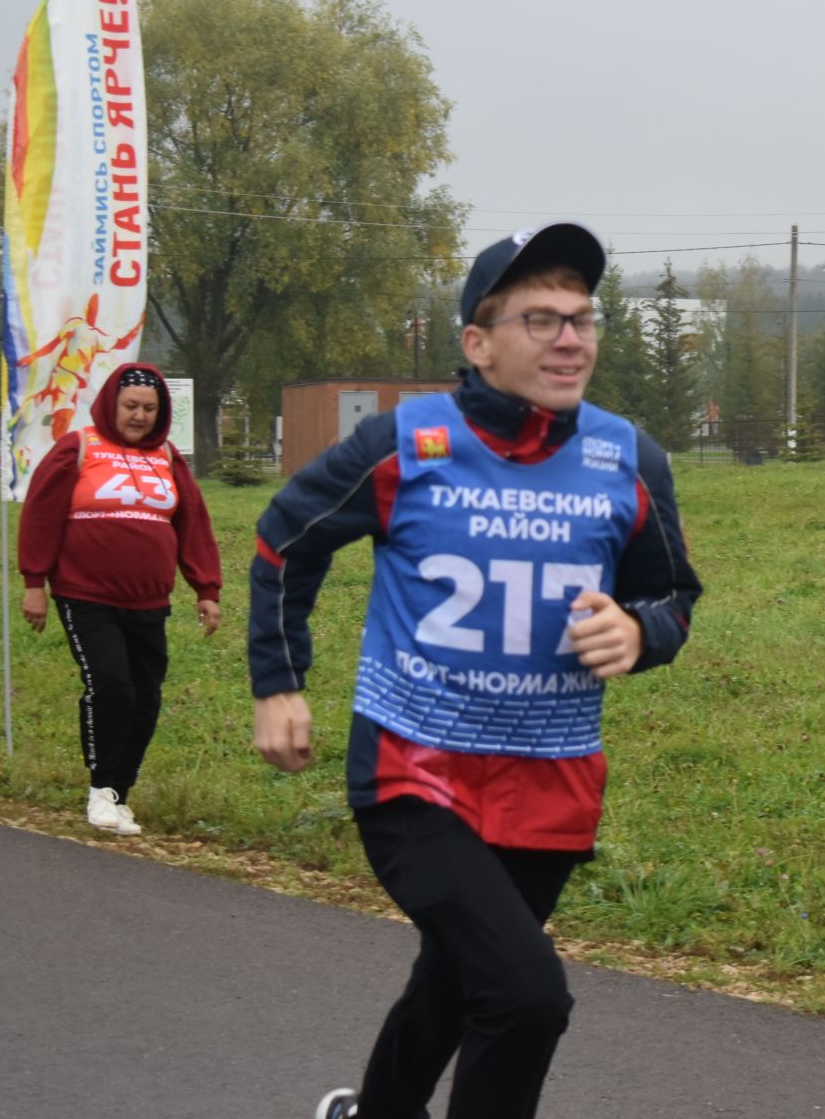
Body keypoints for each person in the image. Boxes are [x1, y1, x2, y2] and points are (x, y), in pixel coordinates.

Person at [247, 223, 702, 1119]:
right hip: (413, 772)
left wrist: (641, 632)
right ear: (477, 342)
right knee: (527, 993)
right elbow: (285, 541)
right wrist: (279, 681)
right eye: (540, 319)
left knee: (459, 977)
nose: (570, 339)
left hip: (553, 782)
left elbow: (673, 596)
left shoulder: (628, 459)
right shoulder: (405, 443)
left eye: (582, 319)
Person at [18, 362, 222, 835]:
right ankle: (99, 789)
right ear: (112, 403)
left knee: (146, 698)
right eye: (131, 405)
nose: (140, 416)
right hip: (84, 596)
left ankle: (120, 793)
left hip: (148, 602)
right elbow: (41, 515)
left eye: (150, 408)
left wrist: (206, 589)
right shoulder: (80, 447)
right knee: (113, 686)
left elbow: (193, 525)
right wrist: (35, 584)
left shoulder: (169, 458)